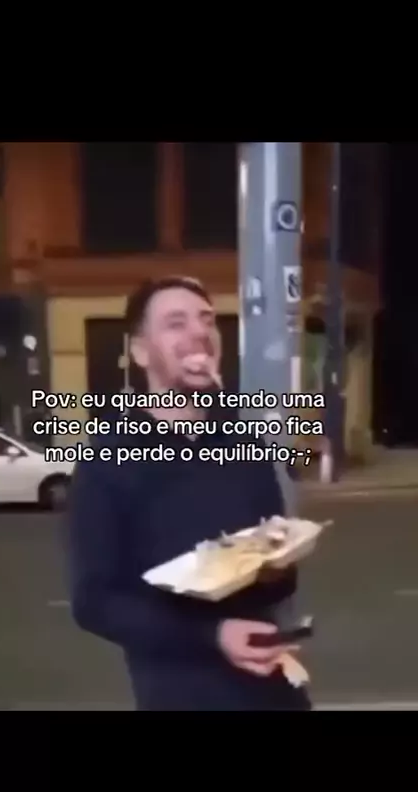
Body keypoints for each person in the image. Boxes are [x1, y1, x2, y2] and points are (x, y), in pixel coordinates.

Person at [67, 275, 312, 711]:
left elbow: (278, 579)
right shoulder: (108, 458)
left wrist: (276, 568)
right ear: (141, 352)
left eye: (206, 320)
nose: (199, 332)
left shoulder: (245, 444)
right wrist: (213, 635)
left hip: (275, 693)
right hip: (182, 696)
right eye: (175, 323)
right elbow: (95, 602)